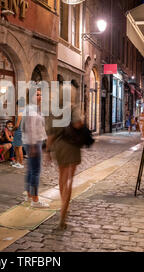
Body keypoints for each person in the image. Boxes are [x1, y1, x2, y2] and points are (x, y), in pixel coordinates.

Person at [47, 81, 83, 229]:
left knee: (62, 179)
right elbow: (77, 124)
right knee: (70, 180)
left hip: (59, 147)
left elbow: (50, 133)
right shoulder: (73, 107)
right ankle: (63, 212)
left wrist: (48, 151)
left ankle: (64, 206)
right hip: (72, 146)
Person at [22, 87, 48, 208]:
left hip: (34, 141)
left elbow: (40, 127)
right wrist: (33, 145)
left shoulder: (34, 109)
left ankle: (28, 195)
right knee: (36, 171)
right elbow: (30, 128)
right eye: (37, 94)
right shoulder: (31, 110)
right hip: (33, 142)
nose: (40, 97)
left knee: (30, 170)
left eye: (40, 94)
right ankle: (35, 199)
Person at [12, 97, 25, 169]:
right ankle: (17, 162)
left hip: (18, 131)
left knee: (19, 147)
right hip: (20, 131)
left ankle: (20, 163)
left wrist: (12, 129)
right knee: (16, 147)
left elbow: (17, 125)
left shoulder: (20, 113)